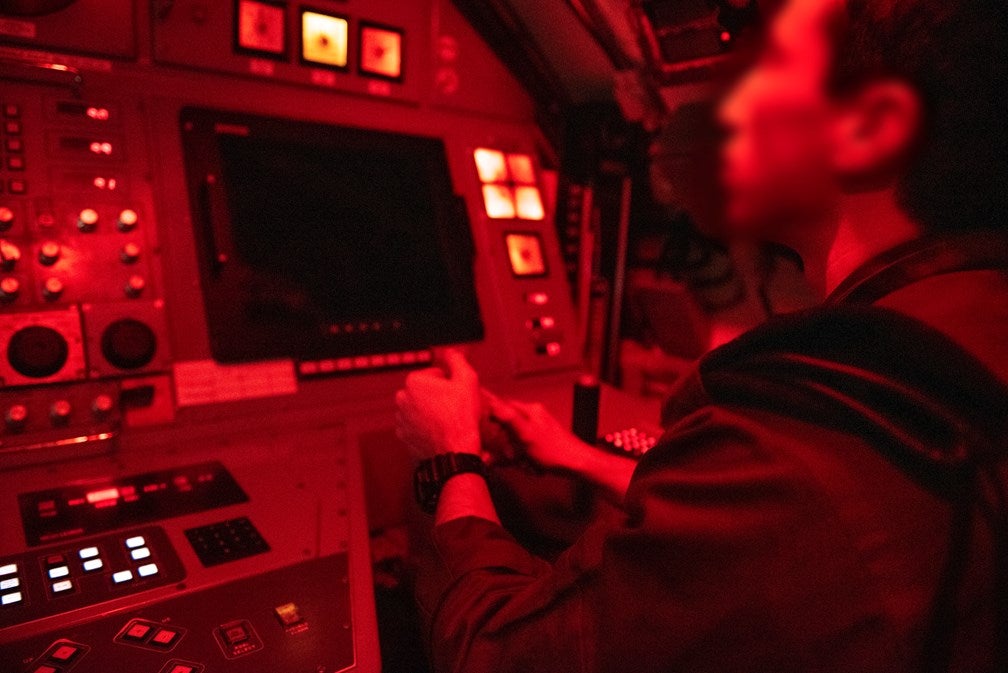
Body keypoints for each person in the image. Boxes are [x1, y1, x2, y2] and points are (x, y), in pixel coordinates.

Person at [394, 0, 1008, 670]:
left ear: (869, 131)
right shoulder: (952, 344)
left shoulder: (817, 442)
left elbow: (494, 655)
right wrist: (578, 456)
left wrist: (451, 458)